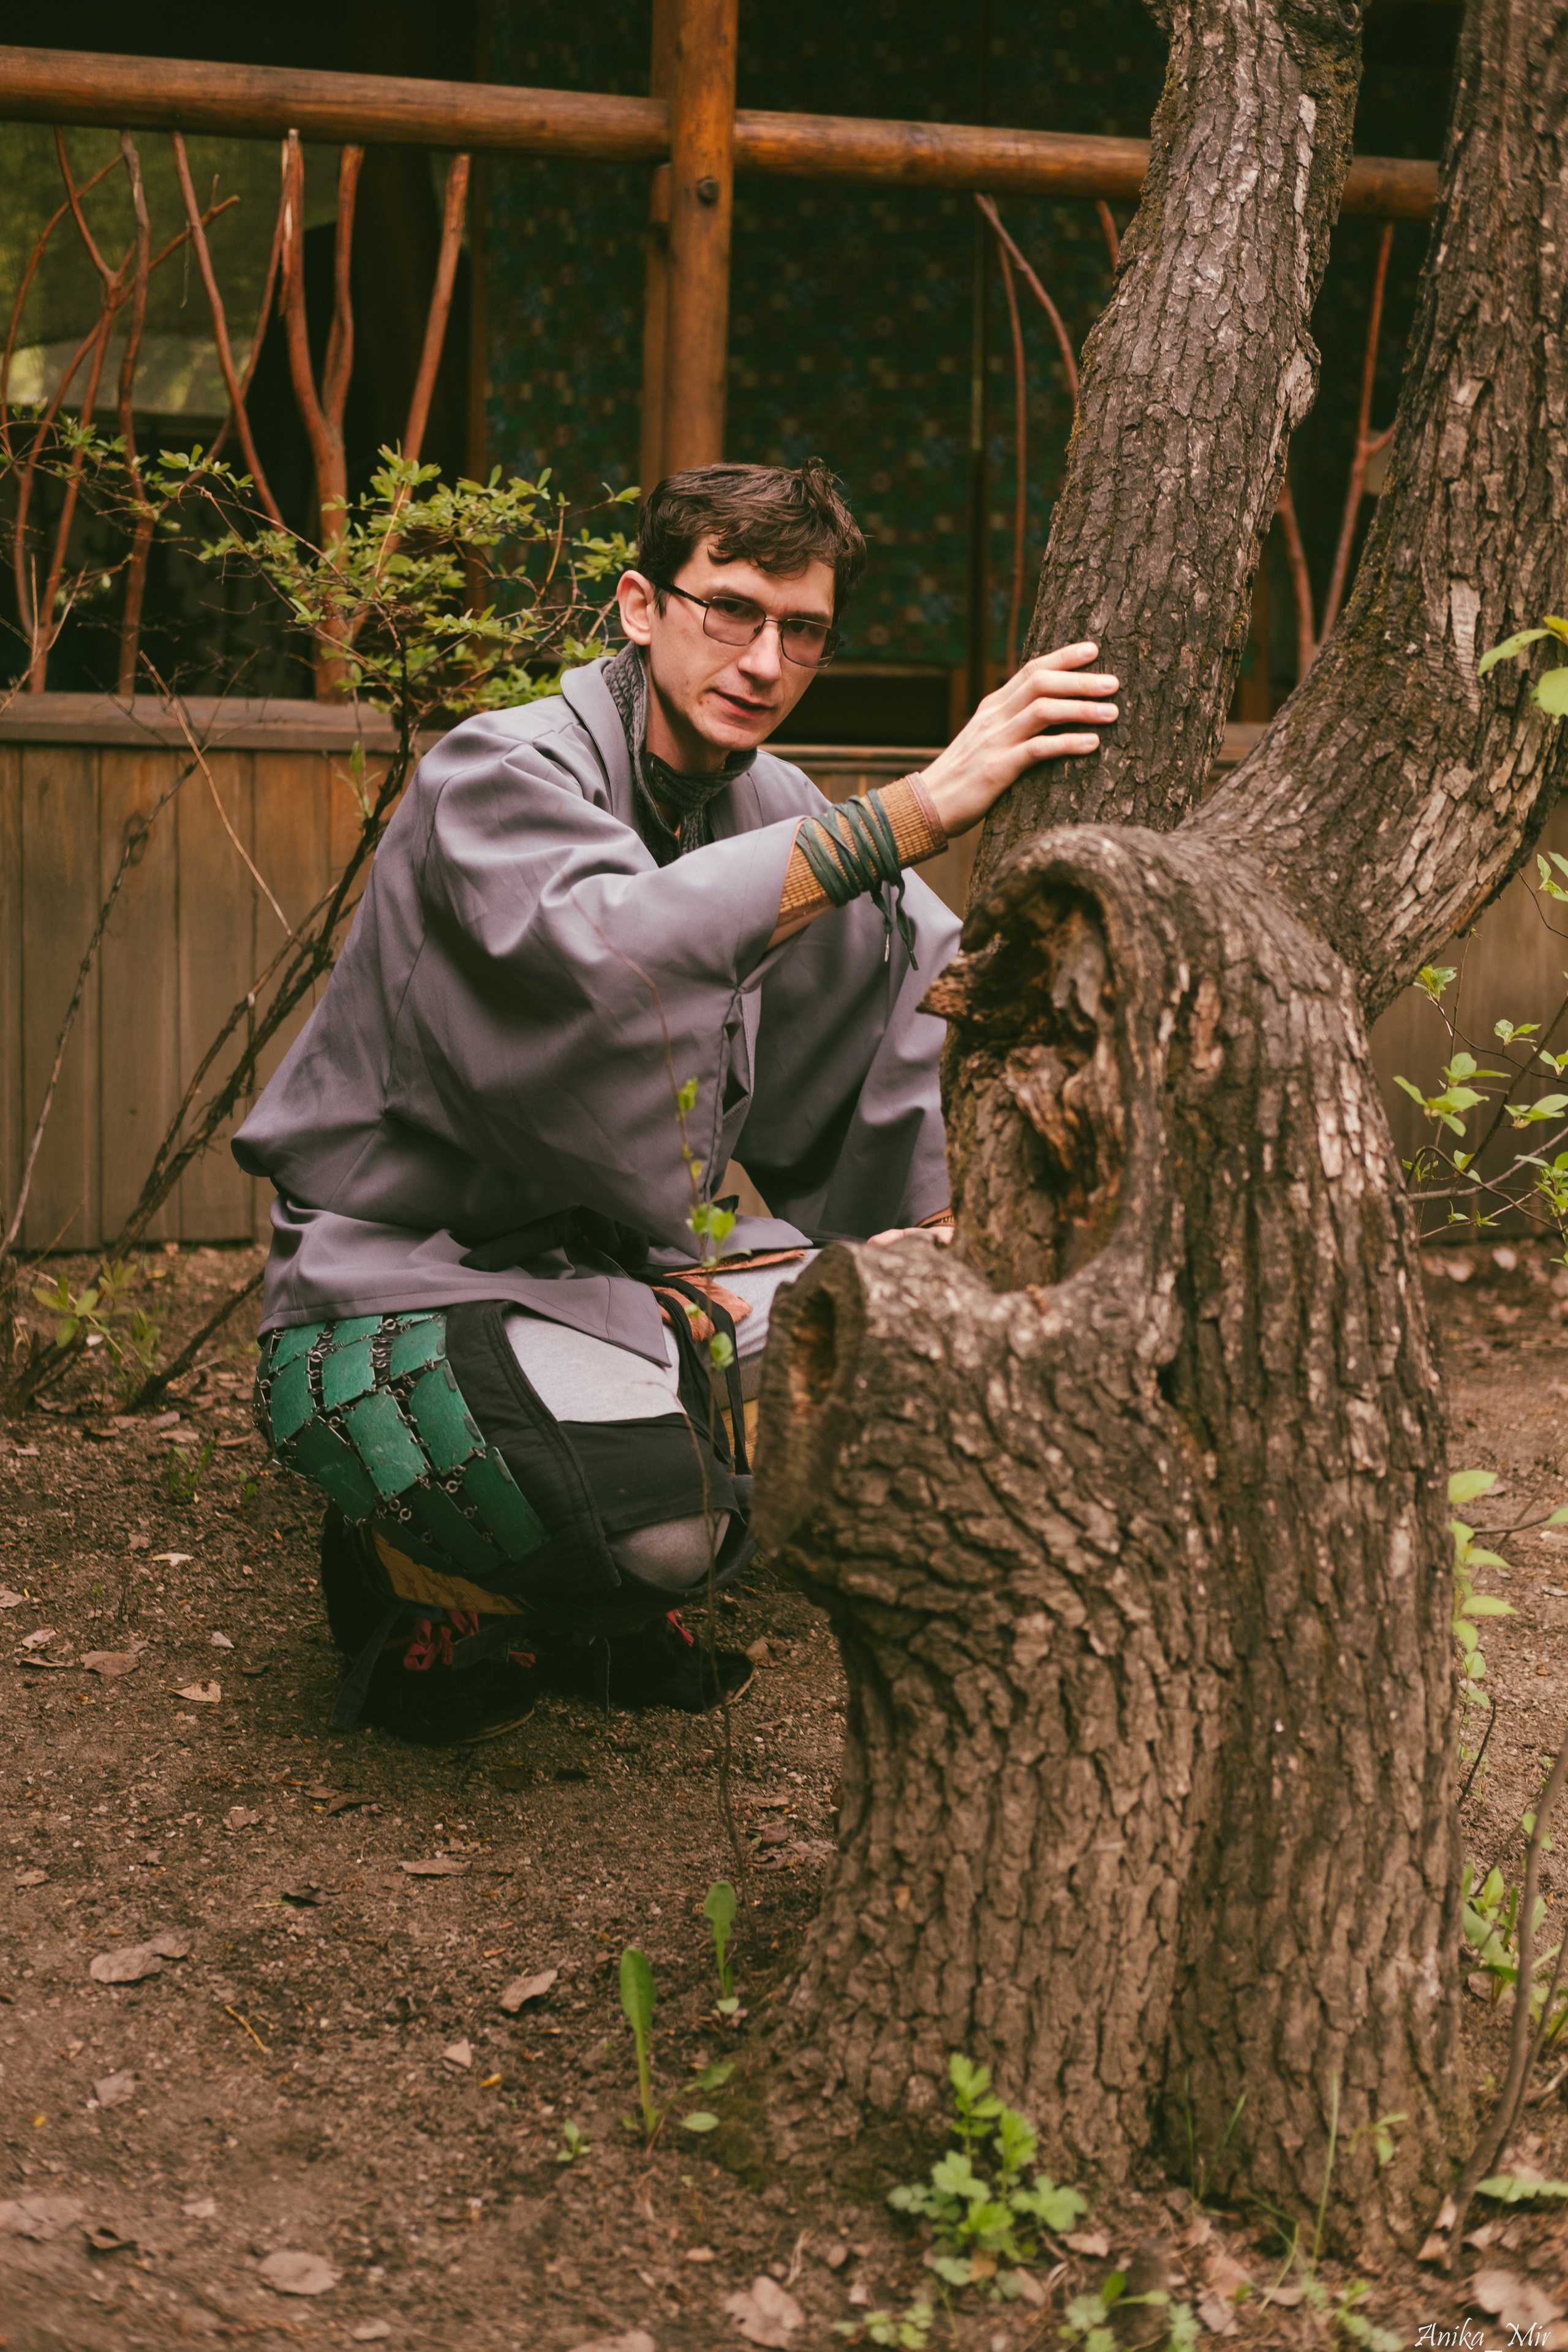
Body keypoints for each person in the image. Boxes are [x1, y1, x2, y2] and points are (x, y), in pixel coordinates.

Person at [235, 459, 1118, 1743]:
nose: (764, 659)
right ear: (641, 606)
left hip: (631, 1275)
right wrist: (920, 808)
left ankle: (584, 1562)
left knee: (927, 1357)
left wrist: (964, 1206)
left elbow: (912, 1000)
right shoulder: (499, 772)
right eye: (730, 610)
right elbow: (612, 952)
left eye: (801, 630)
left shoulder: (768, 807)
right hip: (404, 1279)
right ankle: (410, 1575)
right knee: (659, 1535)